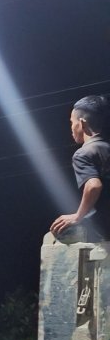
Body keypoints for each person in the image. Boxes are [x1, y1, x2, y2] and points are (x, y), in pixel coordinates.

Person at [50, 95, 110, 241]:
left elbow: (94, 186)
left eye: (72, 122)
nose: (71, 128)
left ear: (82, 123)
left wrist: (78, 216)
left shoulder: (83, 154)